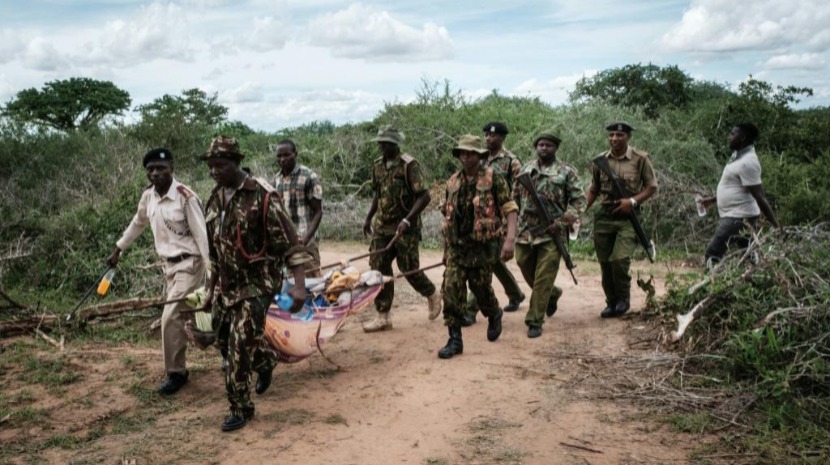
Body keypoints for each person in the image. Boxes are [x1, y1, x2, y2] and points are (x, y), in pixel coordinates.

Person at [200, 135, 311, 432]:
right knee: (223, 339)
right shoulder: (214, 199)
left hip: (257, 285)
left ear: (236, 163)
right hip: (228, 284)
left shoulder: (262, 196)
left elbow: (292, 245)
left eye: (220, 165)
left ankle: (240, 408)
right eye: (211, 167)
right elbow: (215, 252)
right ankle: (264, 361)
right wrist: (210, 290)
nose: (214, 171)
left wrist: (299, 286)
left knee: (237, 345)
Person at [107, 148, 209, 395]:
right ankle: (226, 348)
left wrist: (212, 271)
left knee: (170, 317)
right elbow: (138, 223)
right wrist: (119, 248)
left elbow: (202, 235)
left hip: (190, 263)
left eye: (160, 168)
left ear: (171, 168)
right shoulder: (148, 197)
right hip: (169, 267)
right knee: (191, 316)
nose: (155, 173)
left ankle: (176, 373)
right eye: (150, 169)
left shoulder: (185, 197)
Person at [438, 134, 518, 358]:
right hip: (457, 247)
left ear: (478, 155)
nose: (465, 156)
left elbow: (510, 208)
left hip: (482, 248)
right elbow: (448, 217)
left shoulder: (494, 178)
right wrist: (446, 251)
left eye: (470, 153)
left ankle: (494, 313)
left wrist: (509, 240)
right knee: (451, 290)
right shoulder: (453, 181)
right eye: (462, 152)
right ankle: (455, 340)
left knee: (481, 289)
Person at [361, 125, 442, 332]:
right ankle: (383, 316)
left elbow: (424, 196)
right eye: (380, 142)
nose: (381, 146)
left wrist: (407, 220)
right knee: (378, 269)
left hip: (406, 227)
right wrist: (369, 218)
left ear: (395, 144)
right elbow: (377, 194)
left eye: (386, 143)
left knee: (409, 269)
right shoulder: (377, 166)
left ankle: (431, 293)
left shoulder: (409, 165)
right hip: (382, 227)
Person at [514, 132, 586, 338]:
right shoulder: (526, 169)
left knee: (544, 275)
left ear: (556, 148)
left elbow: (579, 201)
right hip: (525, 231)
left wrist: (563, 221)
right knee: (523, 263)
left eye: (549, 145)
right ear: (536, 147)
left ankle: (534, 320)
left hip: (552, 233)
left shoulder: (566, 172)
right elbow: (514, 197)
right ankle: (552, 294)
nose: (544, 148)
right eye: (541, 145)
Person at [585, 122, 657, 318]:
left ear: (628, 137)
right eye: (611, 135)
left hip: (628, 217)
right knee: (605, 263)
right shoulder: (600, 160)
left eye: (619, 135)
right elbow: (594, 189)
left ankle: (623, 299)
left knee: (620, 259)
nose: (614, 139)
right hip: (604, 216)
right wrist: (579, 210)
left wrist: (632, 201)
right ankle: (611, 302)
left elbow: (651, 187)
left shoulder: (640, 159)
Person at [461, 122, 525, 326]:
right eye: (486, 135)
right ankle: (515, 293)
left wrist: (509, 229)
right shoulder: (478, 158)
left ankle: (471, 309)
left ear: (503, 138)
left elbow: (518, 194)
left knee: (484, 264)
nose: (489, 138)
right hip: (480, 221)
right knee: (493, 261)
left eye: (493, 136)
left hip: (500, 221)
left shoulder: (511, 162)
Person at [700, 122, 781, 268]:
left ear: (742, 138)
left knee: (713, 253)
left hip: (738, 217)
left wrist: (776, 226)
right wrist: (713, 200)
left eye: (733, 134)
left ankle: (709, 287)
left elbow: (760, 197)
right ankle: (758, 279)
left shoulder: (748, 162)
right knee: (748, 253)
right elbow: (736, 187)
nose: (729, 137)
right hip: (740, 215)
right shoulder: (738, 156)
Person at [273, 139, 324, 277]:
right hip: (286, 244)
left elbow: (318, 211)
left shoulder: (308, 176)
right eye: (279, 156)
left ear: (295, 154)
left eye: (286, 155)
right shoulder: (277, 179)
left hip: (305, 241)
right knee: (289, 285)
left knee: (311, 284)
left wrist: (306, 240)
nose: (282, 159)